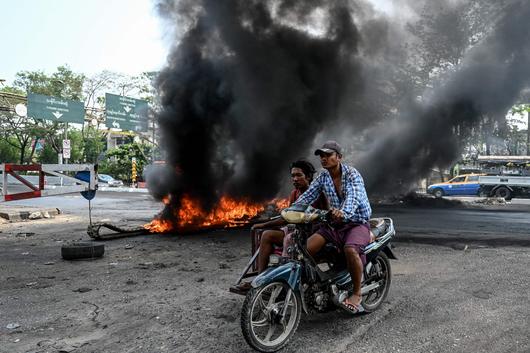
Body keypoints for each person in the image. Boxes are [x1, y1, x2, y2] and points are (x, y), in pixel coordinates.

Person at [294, 140, 372, 314]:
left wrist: (343, 212)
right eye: (321, 156)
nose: (324, 158)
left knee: (350, 249)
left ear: (339, 157)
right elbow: (307, 196)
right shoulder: (323, 176)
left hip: (356, 222)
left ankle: (357, 293)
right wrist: (290, 210)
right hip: (335, 223)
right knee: (307, 248)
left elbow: (354, 197)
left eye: (328, 155)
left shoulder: (352, 174)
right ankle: (317, 284)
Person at [234, 160, 327, 292]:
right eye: (293, 176)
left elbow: (326, 217)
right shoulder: (295, 194)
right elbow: (287, 217)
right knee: (267, 235)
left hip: (312, 235)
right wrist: (264, 224)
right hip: (295, 231)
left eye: (298, 175)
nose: (294, 179)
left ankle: (286, 282)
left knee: (289, 240)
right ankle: (260, 280)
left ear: (309, 177)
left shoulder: (319, 194)